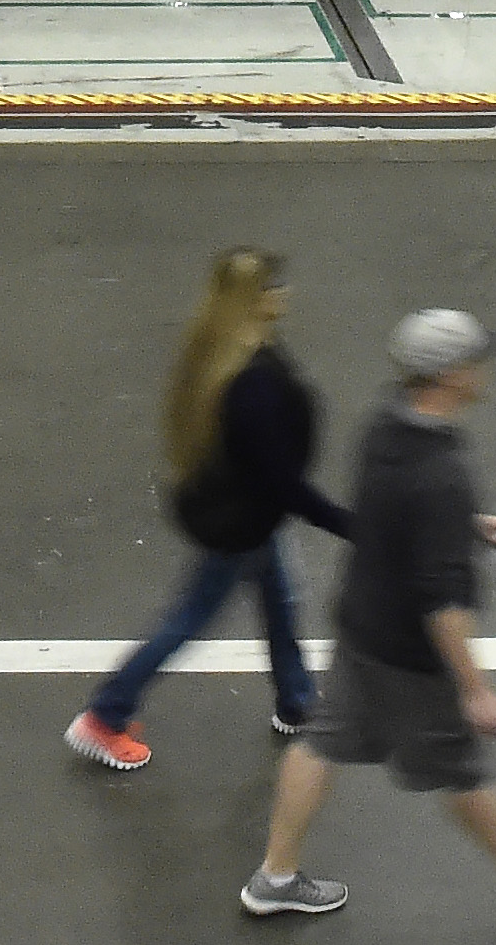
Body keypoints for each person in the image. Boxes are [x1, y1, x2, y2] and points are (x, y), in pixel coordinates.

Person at [241, 310, 496, 927]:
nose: (484, 370)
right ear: (452, 375)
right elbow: (442, 603)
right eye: (476, 360)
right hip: (410, 658)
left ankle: (274, 876)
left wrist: (463, 526)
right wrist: (474, 688)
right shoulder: (443, 473)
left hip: (362, 623)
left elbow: (391, 515)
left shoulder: (384, 426)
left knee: (321, 742)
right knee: (461, 770)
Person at [68, 247, 350, 769]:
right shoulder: (253, 382)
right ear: (257, 299)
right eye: (275, 285)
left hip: (242, 513)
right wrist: (350, 525)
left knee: (281, 601)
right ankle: (105, 717)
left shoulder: (223, 349)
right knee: (191, 617)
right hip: (244, 523)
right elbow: (283, 483)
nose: (285, 292)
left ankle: (297, 701)